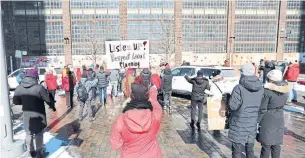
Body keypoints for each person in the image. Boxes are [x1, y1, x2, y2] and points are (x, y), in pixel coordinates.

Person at [110, 76, 162, 158]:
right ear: (147, 96)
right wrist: (152, 90)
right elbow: (155, 102)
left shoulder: (121, 120)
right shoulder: (156, 114)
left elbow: (115, 145)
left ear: (132, 97)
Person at [13, 69, 56, 157]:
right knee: (38, 133)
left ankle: (30, 151)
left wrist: (25, 101)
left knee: (29, 133)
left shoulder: (19, 87)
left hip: (26, 115)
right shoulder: (39, 87)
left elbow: (16, 101)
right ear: (35, 77)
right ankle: (39, 152)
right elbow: (47, 100)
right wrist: (52, 105)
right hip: (39, 113)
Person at [228, 63, 264, 158]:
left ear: (243, 74)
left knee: (237, 150)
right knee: (250, 148)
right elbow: (261, 106)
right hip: (252, 122)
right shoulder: (261, 88)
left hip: (238, 122)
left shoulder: (238, 88)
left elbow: (233, 106)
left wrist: (228, 99)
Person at [257, 70, 290, 158]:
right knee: (276, 144)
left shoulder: (267, 91)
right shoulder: (285, 89)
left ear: (271, 79)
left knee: (266, 145)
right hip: (279, 116)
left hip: (268, 117)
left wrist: (258, 121)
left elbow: (263, 108)